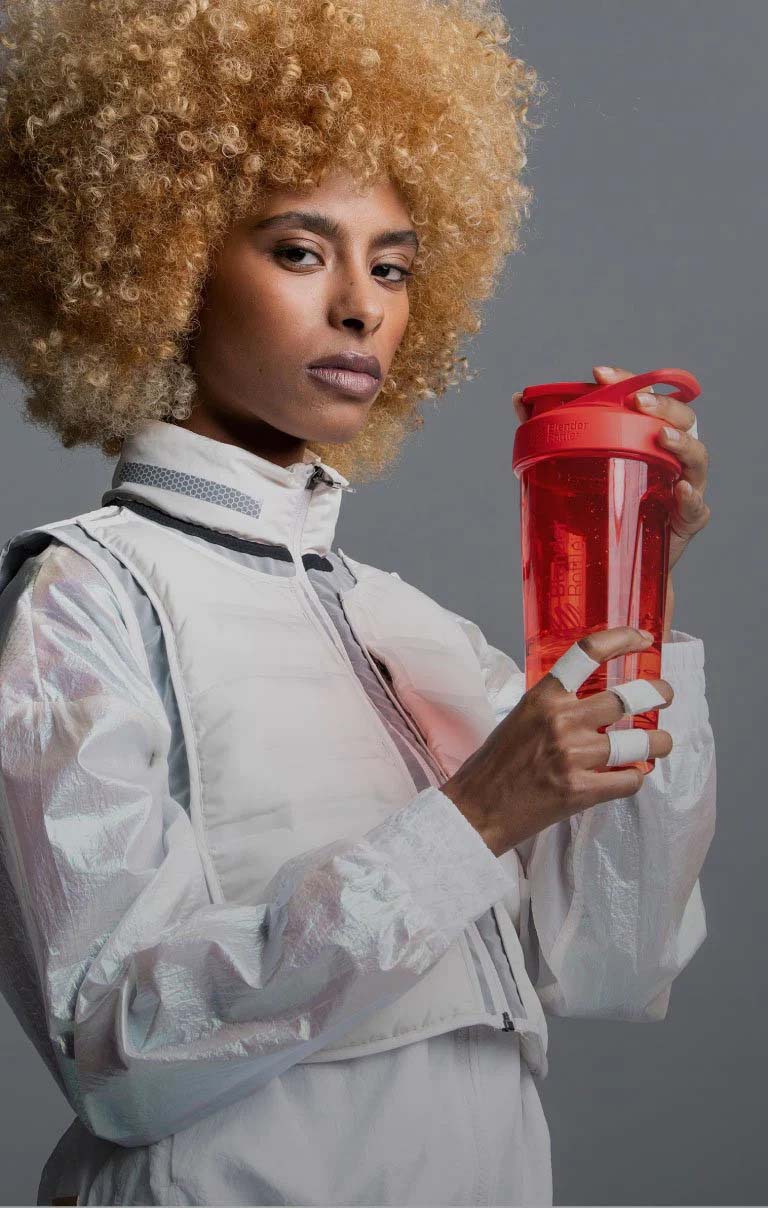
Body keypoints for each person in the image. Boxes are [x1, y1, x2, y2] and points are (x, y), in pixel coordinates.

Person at [0, 0, 716, 1204]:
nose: (362, 305)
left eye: (391, 263)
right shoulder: (86, 601)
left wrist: (637, 566)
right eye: (299, 249)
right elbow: (120, 1050)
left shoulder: (413, 630)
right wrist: (472, 815)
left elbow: (612, 957)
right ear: (156, 261)